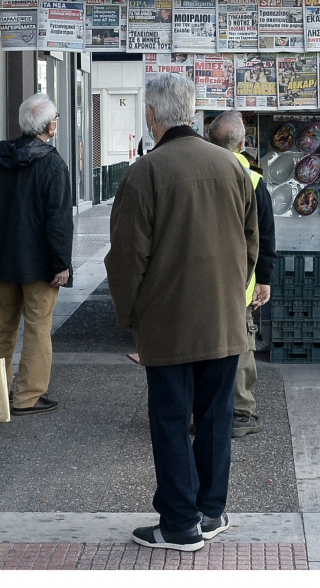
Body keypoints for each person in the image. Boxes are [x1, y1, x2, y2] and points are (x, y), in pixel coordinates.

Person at [106, 73, 257, 551]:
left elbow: (128, 256)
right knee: (216, 416)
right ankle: (211, 512)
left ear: (151, 117)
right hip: (225, 316)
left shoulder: (144, 173)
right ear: (191, 113)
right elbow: (251, 243)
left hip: (168, 321)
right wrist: (233, 292)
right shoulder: (232, 166)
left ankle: (178, 522)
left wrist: (129, 315)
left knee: (171, 420)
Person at [0, 93, 72, 416]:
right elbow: (57, 218)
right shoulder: (52, 163)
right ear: (50, 125)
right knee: (37, 328)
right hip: (38, 263)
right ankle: (27, 396)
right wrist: (62, 263)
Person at [207, 111, 276, 438]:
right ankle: (240, 415)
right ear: (243, 143)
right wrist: (264, 278)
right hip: (240, 284)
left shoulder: (195, 171)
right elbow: (265, 234)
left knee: (203, 348)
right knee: (240, 347)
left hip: (200, 283)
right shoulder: (253, 179)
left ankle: (204, 414)